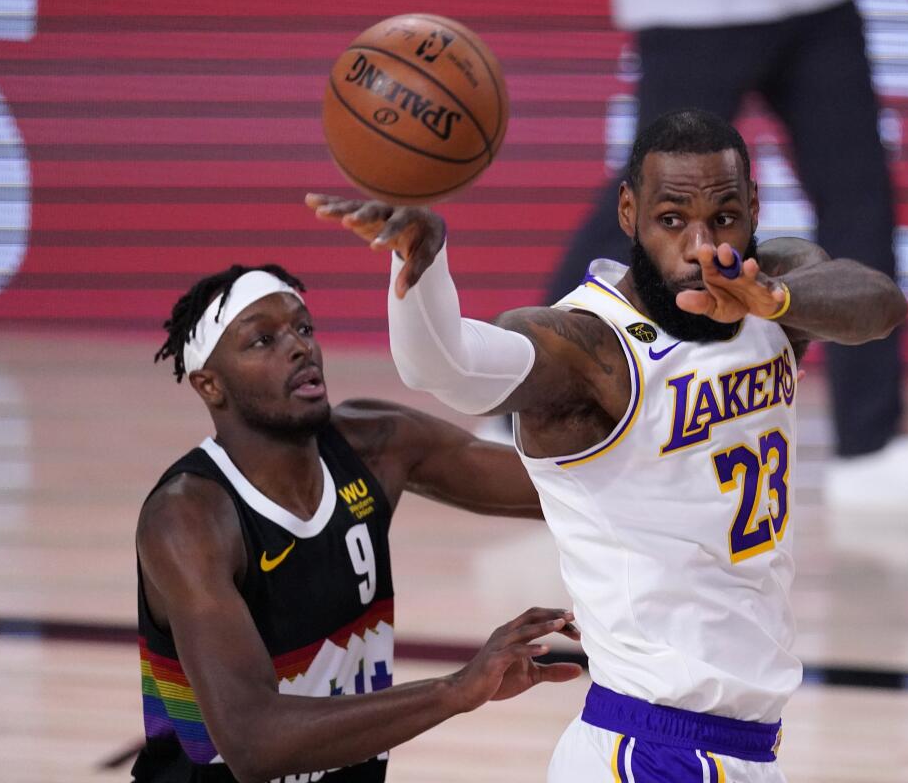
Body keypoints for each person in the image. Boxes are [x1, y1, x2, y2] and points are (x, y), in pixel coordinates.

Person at [311, 109, 907, 781]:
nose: (701, 247)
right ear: (629, 213)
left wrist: (771, 299)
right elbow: (445, 366)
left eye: (725, 218)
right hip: (650, 747)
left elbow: (879, 303)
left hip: (742, 747)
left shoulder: (775, 290)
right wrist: (422, 263)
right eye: (672, 219)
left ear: (754, 211)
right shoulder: (591, 348)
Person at [548, 0, 908, 517]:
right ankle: (534, 389)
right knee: (652, 203)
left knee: (860, 196)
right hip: (697, 5)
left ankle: (872, 451)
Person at [135, 264, 581, 783]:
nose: (300, 347)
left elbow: (560, 491)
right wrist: (456, 689)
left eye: (303, 328)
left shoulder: (373, 445)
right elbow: (254, 741)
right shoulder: (189, 518)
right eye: (263, 340)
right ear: (210, 385)